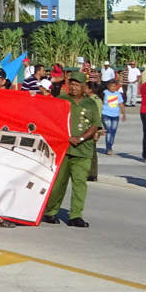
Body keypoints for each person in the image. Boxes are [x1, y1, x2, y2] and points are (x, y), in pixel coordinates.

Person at [41, 71, 100, 227]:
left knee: (79, 183)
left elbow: (95, 125)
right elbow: (50, 120)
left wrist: (80, 138)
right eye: (71, 84)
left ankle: (75, 215)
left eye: (77, 85)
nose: (73, 87)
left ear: (84, 87)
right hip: (63, 150)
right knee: (58, 184)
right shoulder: (61, 100)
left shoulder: (90, 104)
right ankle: (50, 211)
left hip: (83, 150)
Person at [100, 78, 126, 155]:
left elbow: (121, 104)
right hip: (106, 114)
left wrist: (123, 114)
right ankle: (108, 148)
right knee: (108, 131)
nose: (113, 88)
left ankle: (110, 145)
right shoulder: (104, 93)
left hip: (115, 115)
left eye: (114, 86)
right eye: (111, 86)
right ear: (108, 87)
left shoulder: (118, 94)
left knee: (113, 132)